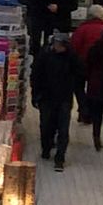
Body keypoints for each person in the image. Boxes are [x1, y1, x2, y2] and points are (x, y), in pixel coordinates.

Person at [71, 4, 103, 151]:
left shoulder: (82, 29)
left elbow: (74, 47)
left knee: (79, 88)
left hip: (84, 67)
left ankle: (84, 110)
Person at [31, 33, 79, 171]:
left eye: (60, 45)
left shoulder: (72, 58)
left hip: (64, 98)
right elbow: (36, 76)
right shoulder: (44, 56)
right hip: (47, 97)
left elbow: (79, 75)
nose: (57, 47)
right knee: (46, 125)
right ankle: (46, 147)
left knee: (63, 129)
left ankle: (60, 158)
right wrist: (35, 95)